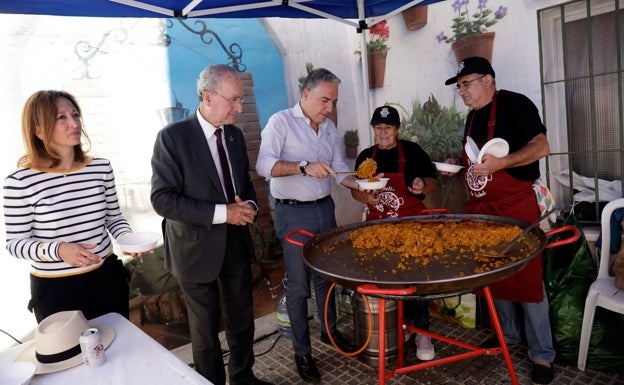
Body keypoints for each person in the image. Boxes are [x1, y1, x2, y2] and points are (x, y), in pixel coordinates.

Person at [150, 64, 272, 385]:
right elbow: (162, 200)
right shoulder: (172, 139)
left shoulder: (233, 135)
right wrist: (224, 213)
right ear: (207, 96)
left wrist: (250, 207)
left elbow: (244, 185)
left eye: (241, 100)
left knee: (242, 318)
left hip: (234, 241)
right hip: (194, 246)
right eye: (233, 100)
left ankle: (243, 377)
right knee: (204, 331)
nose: (239, 107)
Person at [443, 57, 555, 385]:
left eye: (466, 83)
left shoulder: (516, 105)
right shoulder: (471, 118)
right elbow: (478, 162)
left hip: (516, 205)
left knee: (528, 279)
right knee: (494, 274)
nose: (461, 91)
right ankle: (508, 336)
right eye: (459, 86)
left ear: (488, 80)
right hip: (484, 209)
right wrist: (457, 164)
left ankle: (542, 355)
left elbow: (541, 146)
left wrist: (503, 163)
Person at [256, 68, 362, 383]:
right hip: (293, 214)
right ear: (306, 94)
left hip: (324, 211)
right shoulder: (280, 122)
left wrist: (361, 183)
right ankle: (302, 353)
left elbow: (339, 169)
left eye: (333, 102)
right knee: (299, 287)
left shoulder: (329, 129)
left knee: (325, 280)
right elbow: (264, 165)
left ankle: (329, 332)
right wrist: (303, 167)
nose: (329, 108)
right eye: (324, 100)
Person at [3, 90, 140, 323]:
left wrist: (127, 238)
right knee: (69, 357)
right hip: (55, 290)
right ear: (38, 130)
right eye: (61, 117)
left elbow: (114, 218)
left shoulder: (100, 168)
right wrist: (59, 250)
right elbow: (15, 243)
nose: (73, 123)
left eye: (75, 115)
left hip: (106, 278)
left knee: (118, 347)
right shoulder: (19, 181)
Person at [351, 105, 439, 361]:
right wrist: (367, 199)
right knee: (385, 279)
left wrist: (422, 185)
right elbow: (356, 189)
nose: (383, 132)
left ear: (397, 129)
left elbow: (432, 181)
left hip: (412, 229)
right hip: (378, 230)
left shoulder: (412, 151)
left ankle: (422, 332)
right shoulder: (367, 157)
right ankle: (396, 328)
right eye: (378, 128)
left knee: (416, 281)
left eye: (388, 128)